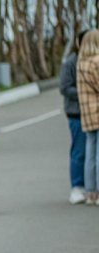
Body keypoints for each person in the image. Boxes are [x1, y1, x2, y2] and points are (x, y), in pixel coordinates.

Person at [62, 30, 90, 204]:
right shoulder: (71, 63)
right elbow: (65, 88)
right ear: (79, 43)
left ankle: (91, 186)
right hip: (76, 113)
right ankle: (77, 187)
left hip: (93, 111)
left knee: (93, 151)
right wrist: (86, 93)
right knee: (79, 150)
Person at [77, 29, 99, 205]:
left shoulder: (81, 63)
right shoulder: (96, 62)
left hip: (86, 113)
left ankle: (90, 192)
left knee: (90, 153)